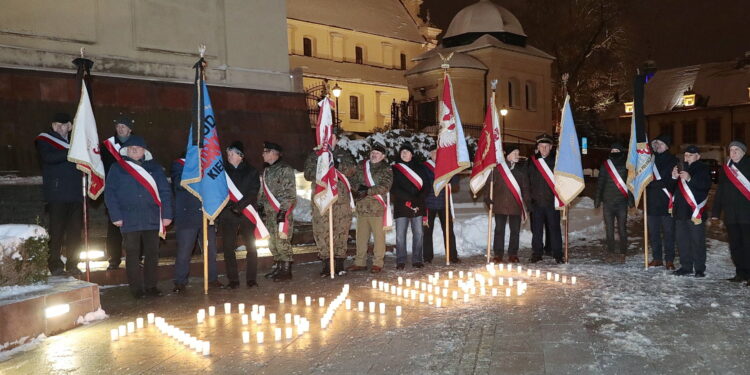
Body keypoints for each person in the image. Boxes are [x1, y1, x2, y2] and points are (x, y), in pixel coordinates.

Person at [104, 136, 173, 298]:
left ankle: (151, 287)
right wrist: (115, 215)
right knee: (132, 254)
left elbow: (165, 192)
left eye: (138, 147)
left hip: (152, 217)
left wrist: (167, 215)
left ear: (144, 151)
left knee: (152, 253)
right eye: (131, 147)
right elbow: (110, 193)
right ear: (126, 150)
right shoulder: (117, 168)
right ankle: (136, 289)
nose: (134, 149)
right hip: (129, 218)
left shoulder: (155, 168)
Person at [34, 112, 82, 276]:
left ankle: (73, 263)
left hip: (76, 193)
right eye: (56, 125)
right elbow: (48, 157)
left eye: (63, 125)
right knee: (57, 231)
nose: (60, 128)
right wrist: (73, 152)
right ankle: (54, 264)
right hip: (57, 194)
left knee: (75, 232)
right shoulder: (45, 140)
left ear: (70, 126)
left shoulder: (76, 141)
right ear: (52, 126)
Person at [303, 131, 356, 277]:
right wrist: (322, 168)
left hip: (341, 201)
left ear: (336, 139)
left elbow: (352, 170)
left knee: (341, 231)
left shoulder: (344, 154)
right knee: (321, 231)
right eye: (325, 136)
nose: (327, 139)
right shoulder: (315, 155)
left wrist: (337, 165)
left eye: (331, 136)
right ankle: (327, 263)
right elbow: (307, 174)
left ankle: (339, 263)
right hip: (322, 200)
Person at [170, 155, 220, 293]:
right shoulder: (179, 164)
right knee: (184, 252)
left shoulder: (207, 164)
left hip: (206, 214)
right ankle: (180, 281)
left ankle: (212, 279)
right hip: (187, 217)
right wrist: (198, 176)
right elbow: (178, 185)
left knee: (211, 251)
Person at [347, 143, 393, 273]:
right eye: (373, 152)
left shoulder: (386, 168)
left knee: (379, 238)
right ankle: (359, 262)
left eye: (377, 153)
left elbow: (385, 186)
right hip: (361, 207)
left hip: (376, 208)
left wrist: (367, 191)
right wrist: (358, 189)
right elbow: (352, 180)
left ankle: (377, 263)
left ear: (383, 156)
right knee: (361, 238)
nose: (374, 155)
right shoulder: (362, 165)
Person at [220, 141, 260, 288]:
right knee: (228, 248)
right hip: (227, 213)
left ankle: (251, 279)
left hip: (246, 213)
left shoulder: (251, 171)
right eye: (228, 154)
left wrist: (239, 207)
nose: (229, 156)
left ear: (240, 156)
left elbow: (253, 192)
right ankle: (233, 280)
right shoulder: (222, 172)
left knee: (251, 247)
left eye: (232, 154)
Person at [710, 141, 750, 284]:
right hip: (731, 215)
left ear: (743, 152)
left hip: (747, 215)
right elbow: (720, 192)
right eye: (731, 150)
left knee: (748, 245)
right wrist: (715, 211)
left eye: (736, 150)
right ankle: (741, 273)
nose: (733, 153)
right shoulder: (726, 170)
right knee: (735, 245)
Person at [257, 141, 297, 282]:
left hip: (281, 212)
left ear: (273, 153)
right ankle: (279, 267)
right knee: (272, 242)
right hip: (269, 213)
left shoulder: (285, 169)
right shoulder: (267, 170)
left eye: (265, 152)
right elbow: (263, 191)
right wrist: (260, 205)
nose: (262, 154)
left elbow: (290, 193)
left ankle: (286, 271)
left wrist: (283, 211)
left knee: (282, 241)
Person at [101, 116, 136, 270]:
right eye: (118, 126)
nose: (121, 128)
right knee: (114, 227)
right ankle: (114, 259)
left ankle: (136, 258)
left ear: (130, 130)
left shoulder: (137, 144)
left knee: (135, 227)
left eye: (124, 126)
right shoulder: (107, 146)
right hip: (115, 190)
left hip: (134, 191)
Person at [671, 145, 710, 277]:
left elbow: (705, 186)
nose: (687, 157)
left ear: (698, 156)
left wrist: (689, 179)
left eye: (691, 155)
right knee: (682, 241)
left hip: (695, 212)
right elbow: (673, 190)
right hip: (681, 211)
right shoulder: (682, 167)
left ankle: (699, 268)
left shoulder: (703, 168)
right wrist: (673, 178)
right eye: (686, 154)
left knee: (697, 241)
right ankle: (686, 266)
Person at [486, 145, 529, 263]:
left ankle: (513, 254)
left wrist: (528, 203)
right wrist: (487, 196)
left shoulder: (520, 170)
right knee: (499, 230)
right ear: (508, 155)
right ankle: (498, 254)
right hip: (500, 205)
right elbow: (489, 184)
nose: (517, 155)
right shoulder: (498, 169)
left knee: (515, 231)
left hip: (515, 206)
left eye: (518, 153)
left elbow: (525, 188)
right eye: (514, 153)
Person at [391, 143, 428, 269]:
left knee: (418, 233)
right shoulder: (395, 168)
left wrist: (417, 199)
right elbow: (394, 187)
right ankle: (401, 260)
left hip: (417, 205)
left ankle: (417, 259)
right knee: (400, 235)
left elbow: (426, 186)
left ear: (412, 154)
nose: (404, 153)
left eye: (407, 151)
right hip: (401, 205)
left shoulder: (420, 168)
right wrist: (408, 198)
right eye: (402, 151)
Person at [527, 133, 563, 263]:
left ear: (551, 147)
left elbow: (562, 181)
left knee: (555, 229)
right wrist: (528, 200)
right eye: (541, 146)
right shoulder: (531, 162)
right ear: (537, 147)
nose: (544, 149)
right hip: (536, 203)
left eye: (547, 146)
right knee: (536, 231)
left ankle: (557, 254)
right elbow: (527, 181)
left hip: (552, 202)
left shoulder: (557, 162)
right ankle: (537, 253)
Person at [646, 135, 679, 269]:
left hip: (667, 203)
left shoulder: (674, 161)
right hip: (652, 202)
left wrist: (653, 184)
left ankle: (669, 260)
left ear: (667, 146)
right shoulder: (649, 161)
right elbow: (645, 181)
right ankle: (657, 258)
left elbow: (672, 182)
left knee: (669, 234)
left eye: (661, 143)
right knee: (653, 234)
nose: (658, 146)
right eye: (656, 144)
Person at [594, 142, 633, 254]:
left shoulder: (626, 166)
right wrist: (597, 200)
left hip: (621, 203)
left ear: (621, 152)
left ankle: (623, 252)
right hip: (608, 203)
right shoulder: (605, 165)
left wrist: (631, 201)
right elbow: (600, 183)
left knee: (622, 229)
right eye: (612, 151)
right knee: (609, 229)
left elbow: (629, 185)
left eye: (617, 150)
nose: (614, 152)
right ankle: (611, 251)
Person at [423, 145, 458, 263]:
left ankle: (452, 256)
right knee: (427, 232)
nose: (436, 155)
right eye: (433, 153)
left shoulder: (447, 166)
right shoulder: (425, 167)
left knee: (449, 231)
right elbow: (425, 182)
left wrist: (452, 172)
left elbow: (456, 182)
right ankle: (427, 257)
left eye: (438, 153)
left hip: (444, 203)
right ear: (429, 154)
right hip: (429, 203)